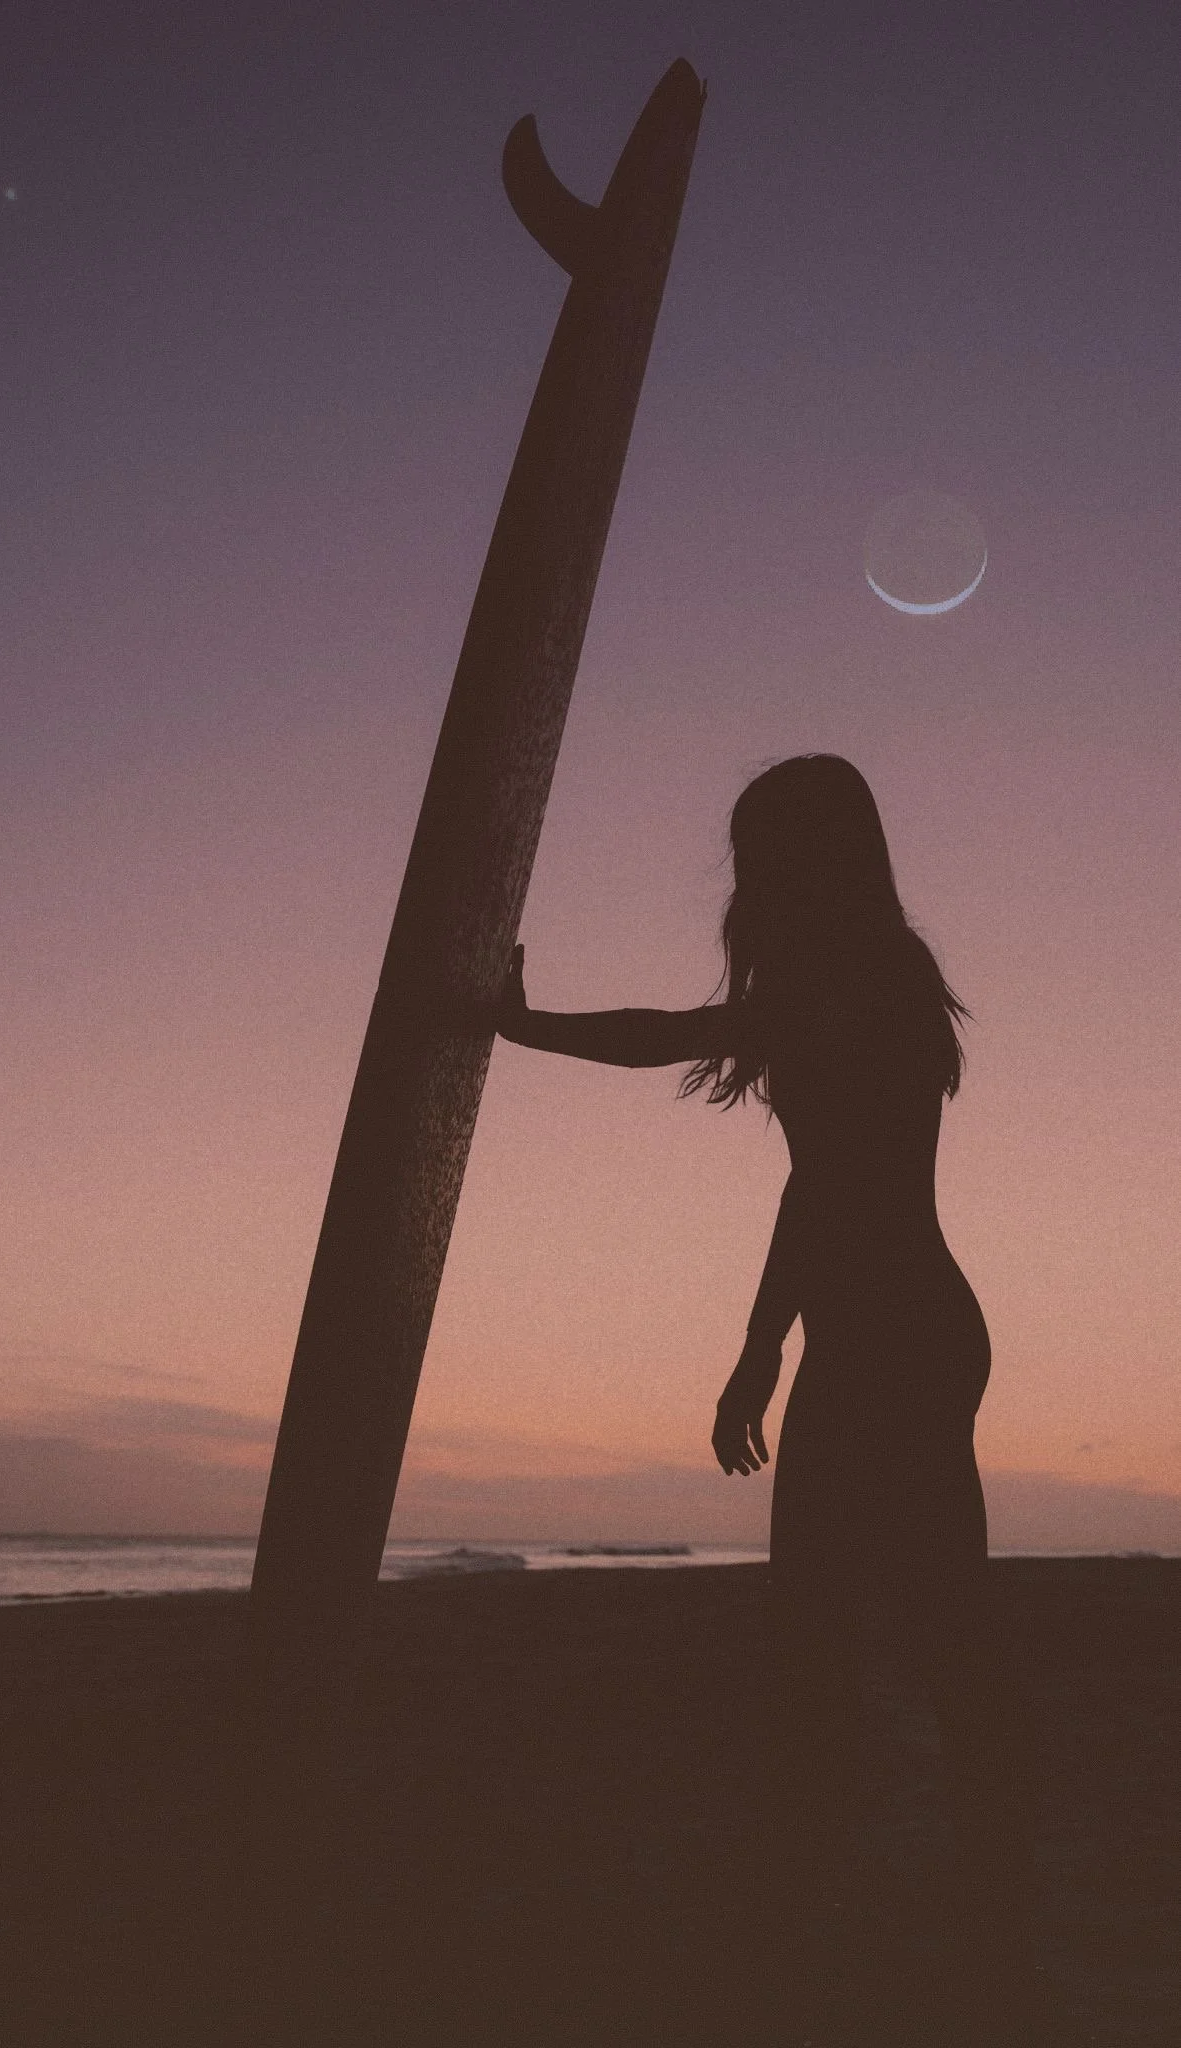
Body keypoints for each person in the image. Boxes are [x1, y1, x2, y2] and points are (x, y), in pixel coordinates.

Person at [495, 752, 1033, 2014]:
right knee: (871, 1625)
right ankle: (938, 1888)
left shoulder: (862, 982)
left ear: (815, 859)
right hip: (880, 1333)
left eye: (767, 854)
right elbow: (817, 1183)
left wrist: (521, 1025)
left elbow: (673, 1038)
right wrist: (764, 1342)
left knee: (890, 1632)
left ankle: (941, 1903)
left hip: (898, 1334)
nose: (751, 882)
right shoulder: (841, 985)